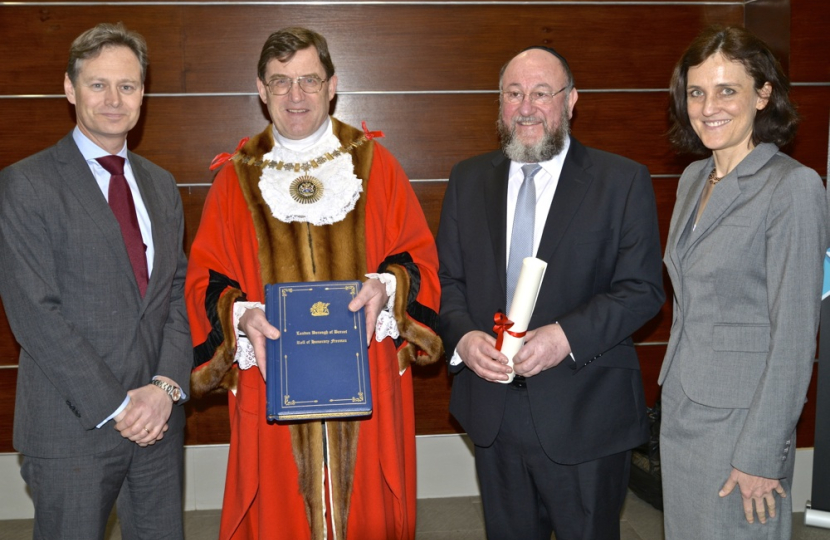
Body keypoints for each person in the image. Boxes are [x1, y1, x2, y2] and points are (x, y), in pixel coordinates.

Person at [185, 27, 442, 540]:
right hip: (272, 386)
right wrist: (241, 317)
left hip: (366, 380)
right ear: (261, 90)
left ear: (333, 85)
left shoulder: (376, 165)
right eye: (280, 82)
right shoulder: (235, 179)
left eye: (309, 80)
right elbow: (204, 283)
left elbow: (420, 261)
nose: (295, 95)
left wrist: (387, 288)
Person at [436, 45, 665, 540]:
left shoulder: (621, 180)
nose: (526, 107)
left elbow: (642, 289)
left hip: (585, 409)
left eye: (542, 93)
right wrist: (465, 339)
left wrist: (565, 336)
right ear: (499, 102)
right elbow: (447, 282)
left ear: (571, 100)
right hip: (492, 412)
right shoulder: (468, 179)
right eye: (513, 93)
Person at [0, 22, 191, 540]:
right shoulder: (26, 184)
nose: (113, 100)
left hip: (157, 425)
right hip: (72, 427)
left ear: (142, 94)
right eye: (98, 84)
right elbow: (35, 315)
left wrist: (164, 389)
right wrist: (120, 405)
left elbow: (176, 294)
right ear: (70, 88)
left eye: (127, 86)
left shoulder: (161, 185)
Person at [658, 25, 827, 540]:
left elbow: (794, 335)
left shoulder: (792, 187)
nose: (708, 107)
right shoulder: (693, 179)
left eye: (727, 90)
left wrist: (761, 454)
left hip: (743, 424)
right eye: (696, 92)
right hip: (683, 407)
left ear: (763, 95)